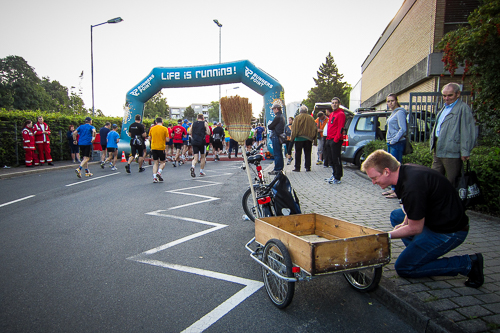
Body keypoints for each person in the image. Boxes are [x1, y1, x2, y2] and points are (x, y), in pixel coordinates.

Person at [361, 149, 484, 288]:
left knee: (403, 267)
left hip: (450, 231)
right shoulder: (406, 172)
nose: (373, 182)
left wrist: (382, 237)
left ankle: (468, 264)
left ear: (386, 171)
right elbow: (412, 207)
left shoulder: (412, 187)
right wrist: (404, 222)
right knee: (396, 216)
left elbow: (415, 228)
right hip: (437, 219)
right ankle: (421, 254)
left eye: (374, 178)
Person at [430, 82, 476, 186]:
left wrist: (465, 151)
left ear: (458, 94)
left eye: (450, 95)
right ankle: (438, 201)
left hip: (452, 150)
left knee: (452, 182)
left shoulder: (463, 108)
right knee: (435, 178)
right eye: (444, 95)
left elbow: (467, 131)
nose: (446, 98)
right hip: (438, 148)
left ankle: (452, 201)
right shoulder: (444, 108)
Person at [383, 93, 407, 199]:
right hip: (391, 142)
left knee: (396, 167)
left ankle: (398, 191)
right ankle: (393, 188)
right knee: (391, 167)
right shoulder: (393, 113)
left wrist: (394, 140)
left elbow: (403, 129)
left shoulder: (400, 112)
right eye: (388, 101)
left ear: (396, 101)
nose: (390, 103)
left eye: (392, 101)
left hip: (396, 143)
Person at [325, 98, 345, 184]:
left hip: (335, 140)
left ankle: (338, 177)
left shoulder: (341, 114)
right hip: (329, 139)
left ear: (339, 103)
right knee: (331, 159)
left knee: (336, 159)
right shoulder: (332, 114)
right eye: (333, 103)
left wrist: (336, 140)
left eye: (336, 103)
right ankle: (334, 174)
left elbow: (340, 128)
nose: (334, 104)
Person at [291, 105, 317, 172]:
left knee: (298, 154)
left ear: (300, 111)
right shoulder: (311, 118)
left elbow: (294, 129)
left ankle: (297, 167)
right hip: (308, 139)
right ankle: (308, 167)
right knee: (308, 153)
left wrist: (292, 138)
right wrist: (314, 138)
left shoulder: (297, 118)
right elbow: (314, 128)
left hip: (299, 139)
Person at [148, 117, 170, 183]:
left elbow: (149, 138)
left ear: (156, 122)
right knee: (163, 162)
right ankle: (159, 172)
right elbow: (167, 139)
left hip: (154, 147)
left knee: (155, 162)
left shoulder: (152, 128)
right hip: (161, 147)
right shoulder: (164, 129)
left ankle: (154, 177)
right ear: (162, 122)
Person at [268, 103, 285, 175]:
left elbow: (270, 126)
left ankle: (277, 169)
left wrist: (271, 126)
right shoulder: (282, 116)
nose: (273, 111)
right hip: (279, 135)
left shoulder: (277, 117)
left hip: (276, 135)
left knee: (277, 153)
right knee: (279, 153)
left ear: (276, 109)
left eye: (273, 109)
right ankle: (280, 168)